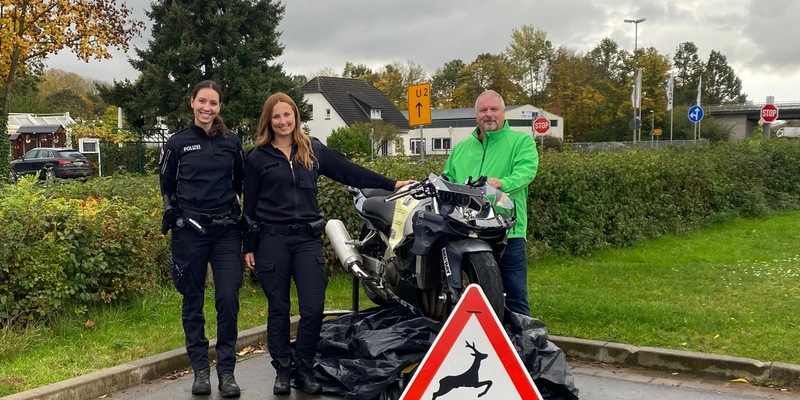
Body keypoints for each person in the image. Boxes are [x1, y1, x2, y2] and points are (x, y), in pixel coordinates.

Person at [243, 92, 415, 396]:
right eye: (276, 116)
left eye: (288, 115)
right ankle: (283, 368)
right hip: (272, 241)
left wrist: (392, 184)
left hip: (306, 240)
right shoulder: (257, 158)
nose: (283, 121)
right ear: (268, 121)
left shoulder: (312, 150)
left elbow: (349, 170)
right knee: (278, 308)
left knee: (312, 308)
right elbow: (250, 207)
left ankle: (305, 367)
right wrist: (249, 246)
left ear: (296, 117)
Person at [159, 80, 245, 398]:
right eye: (202, 101)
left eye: (214, 103)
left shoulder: (232, 142)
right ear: (192, 102)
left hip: (224, 232)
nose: (207, 108)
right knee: (192, 302)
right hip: (189, 233)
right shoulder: (177, 143)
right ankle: (200, 371)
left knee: (228, 300)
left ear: (219, 107)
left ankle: (226, 372)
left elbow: (239, 182)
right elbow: (166, 185)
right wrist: (173, 214)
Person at [442, 89, 539, 317]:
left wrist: (502, 183)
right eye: (483, 110)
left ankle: (521, 343)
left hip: (507, 232)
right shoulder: (461, 148)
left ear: (503, 112)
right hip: (468, 231)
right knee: (473, 292)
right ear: (476, 115)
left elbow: (526, 172)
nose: (489, 114)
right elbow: (447, 177)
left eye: (494, 109)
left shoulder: (521, 142)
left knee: (514, 294)